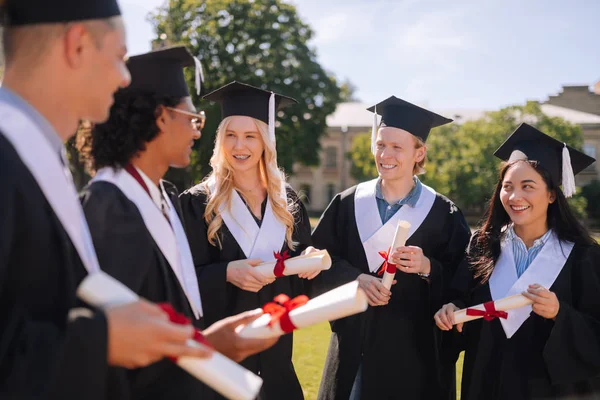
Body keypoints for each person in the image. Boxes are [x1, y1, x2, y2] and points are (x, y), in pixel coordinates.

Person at [0, 1, 212, 399]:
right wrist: (104, 341)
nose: (124, 79)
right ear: (77, 45)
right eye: (119, 58)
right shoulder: (9, 161)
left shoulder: (42, 163)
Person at [77, 48, 279, 399]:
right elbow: (110, 349)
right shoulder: (109, 207)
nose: (197, 132)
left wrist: (207, 343)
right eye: (192, 118)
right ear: (160, 117)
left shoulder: (164, 197)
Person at [312, 96, 471, 399]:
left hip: (415, 352)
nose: (385, 154)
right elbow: (318, 261)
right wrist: (355, 278)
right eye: (381, 144)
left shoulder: (443, 213)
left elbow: (463, 282)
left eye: (397, 147)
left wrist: (428, 267)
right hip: (354, 344)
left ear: (419, 152)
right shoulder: (347, 204)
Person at [435, 123, 600, 399]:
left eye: (528, 186)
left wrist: (561, 313)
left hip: (550, 390)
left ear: (551, 194)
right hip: (486, 383)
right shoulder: (483, 246)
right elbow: (460, 301)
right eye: (507, 187)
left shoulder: (583, 256)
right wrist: (453, 310)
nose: (514, 197)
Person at [179, 81, 319, 400]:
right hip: (221, 368)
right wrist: (226, 272)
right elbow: (180, 283)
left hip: (277, 366)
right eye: (230, 135)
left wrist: (307, 264)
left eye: (250, 136)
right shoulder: (198, 204)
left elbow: (301, 292)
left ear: (265, 142)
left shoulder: (287, 203)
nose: (239, 146)